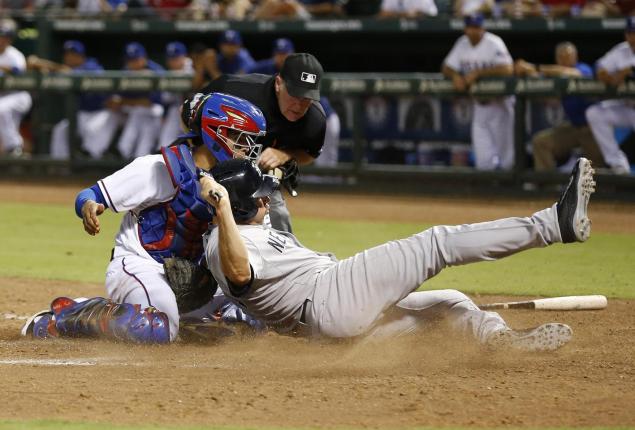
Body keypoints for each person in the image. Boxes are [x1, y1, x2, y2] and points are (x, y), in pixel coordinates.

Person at [200, 156, 596, 351]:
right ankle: (553, 224)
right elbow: (238, 274)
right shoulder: (225, 244)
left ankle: (500, 341)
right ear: (236, 209)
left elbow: (251, 222)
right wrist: (221, 205)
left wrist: (227, 188)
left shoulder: (241, 229)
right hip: (330, 297)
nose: (267, 201)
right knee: (438, 243)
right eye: (258, 198)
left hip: (331, 322)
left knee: (449, 302)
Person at [21, 92, 267, 343]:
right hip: (141, 266)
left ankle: (179, 318)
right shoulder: (158, 168)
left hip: (195, 280)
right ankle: (64, 317)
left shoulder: (238, 183)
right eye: (241, 139)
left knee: (251, 318)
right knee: (154, 328)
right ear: (216, 133)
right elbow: (89, 194)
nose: (248, 149)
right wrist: (89, 206)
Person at [201, 52, 327, 233]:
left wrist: (286, 154)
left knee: (278, 217)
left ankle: (284, 259)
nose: (299, 105)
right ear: (278, 84)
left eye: (307, 97)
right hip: (213, 163)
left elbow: (309, 154)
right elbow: (187, 112)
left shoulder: (314, 120)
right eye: (294, 94)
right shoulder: (236, 89)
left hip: (257, 175)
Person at [515, 42, 605, 171]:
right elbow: (550, 97)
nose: (565, 59)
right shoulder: (557, 76)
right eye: (561, 56)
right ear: (557, 59)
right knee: (541, 142)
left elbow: (571, 73)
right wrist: (527, 71)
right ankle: (547, 184)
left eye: (568, 55)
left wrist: (535, 67)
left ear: (575, 56)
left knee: (598, 171)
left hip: (592, 129)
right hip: (573, 127)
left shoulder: (583, 68)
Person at [442, 13, 515, 170]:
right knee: (483, 162)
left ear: (483, 28)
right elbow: (446, 67)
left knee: (508, 158)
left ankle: (513, 191)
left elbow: (508, 69)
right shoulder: (462, 43)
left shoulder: (494, 42)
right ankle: (490, 192)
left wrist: (478, 73)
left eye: (477, 27)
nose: (474, 31)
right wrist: (455, 76)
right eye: (471, 28)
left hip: (500, 105)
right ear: (465, 29)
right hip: (479, 106)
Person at [28, 40, 120, 160]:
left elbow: (69, 72)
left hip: (100, 112)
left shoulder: (92, 66)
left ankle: (92, 164)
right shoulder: (66, 70)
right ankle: (61, 165)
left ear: (80, 56)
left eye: (72, 54)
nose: (68, 57)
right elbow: (59, 73)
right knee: (60, 130)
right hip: (81, 114)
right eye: (66, 54)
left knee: (92, 130)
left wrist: (42, 63)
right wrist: (42, 69)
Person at [584, 16, 635, 175]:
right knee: (595, 113)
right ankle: (618, 165)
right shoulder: (622, 50)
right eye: (630, 32)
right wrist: (603, 73)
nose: (632, 36)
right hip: (628, 107)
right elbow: (599, 66)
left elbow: (628, 70)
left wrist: (626, 71)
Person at [109, 42, 165, 159]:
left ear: (144, 58)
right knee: (136, 113)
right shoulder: (125, 72)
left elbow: (149, 102)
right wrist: (125, 102)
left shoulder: (156, 71)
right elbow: (114, 100)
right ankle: (124, 150)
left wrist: (125, 102)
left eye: (136, 59)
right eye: (130, 61)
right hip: (133, 112)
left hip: (157, 114)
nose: (133, 64)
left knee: (143, 114)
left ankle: (125, 149)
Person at [0, 18, 32, 158]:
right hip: (3, 96)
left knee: (1, 109)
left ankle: (14, 146)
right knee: (7, 119)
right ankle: (14, 154)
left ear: (9, 39)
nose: (2, 40)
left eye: (5, 37)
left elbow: (18, 72)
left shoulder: (15, 55)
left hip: (19, 95)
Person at [159, 41, 194, 148]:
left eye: (176, 58)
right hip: (177, 109)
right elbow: (166, 98)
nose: (173, 62)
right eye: (171, 59)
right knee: (165, 141)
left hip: (195, 109)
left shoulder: (192, 67)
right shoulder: (169, 73)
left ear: (184, 56)